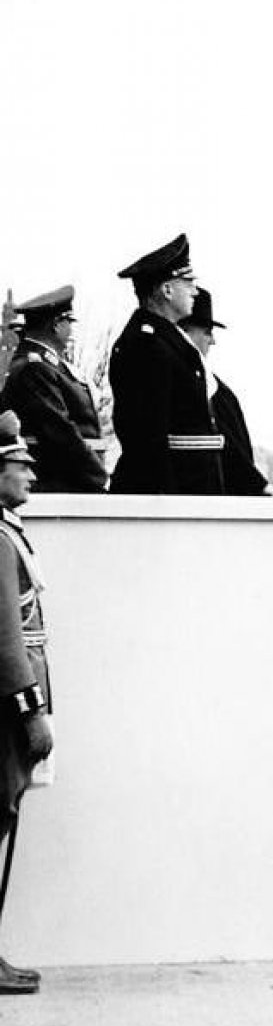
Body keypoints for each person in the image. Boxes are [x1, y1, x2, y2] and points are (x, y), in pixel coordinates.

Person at [108, 233, 225, 494]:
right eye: (188, 282)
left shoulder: (169, 341)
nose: (195, 291)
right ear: (167, 290)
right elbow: (147, 436)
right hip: (172, 491)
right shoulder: (145, 345)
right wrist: (165, 500)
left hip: (192, 487)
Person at [0, 412, 52, 994]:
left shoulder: (9, 529)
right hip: (6, 706)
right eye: (20, 466)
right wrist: (30, 710)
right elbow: (7, 639)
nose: (30, 475)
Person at [0, 286, 107, 492]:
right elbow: (60, 431)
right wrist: (99, 478)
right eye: (69, 323)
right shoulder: (35, 368)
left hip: (70, 481)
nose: (71, 331)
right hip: (60, 482)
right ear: (57, 325)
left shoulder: (45, 365)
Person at [177, 289, 269, 496]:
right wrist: (258, 485)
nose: (213, 341)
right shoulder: (199, 388)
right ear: (184, 332)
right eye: (207, 331)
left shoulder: (219, 390)